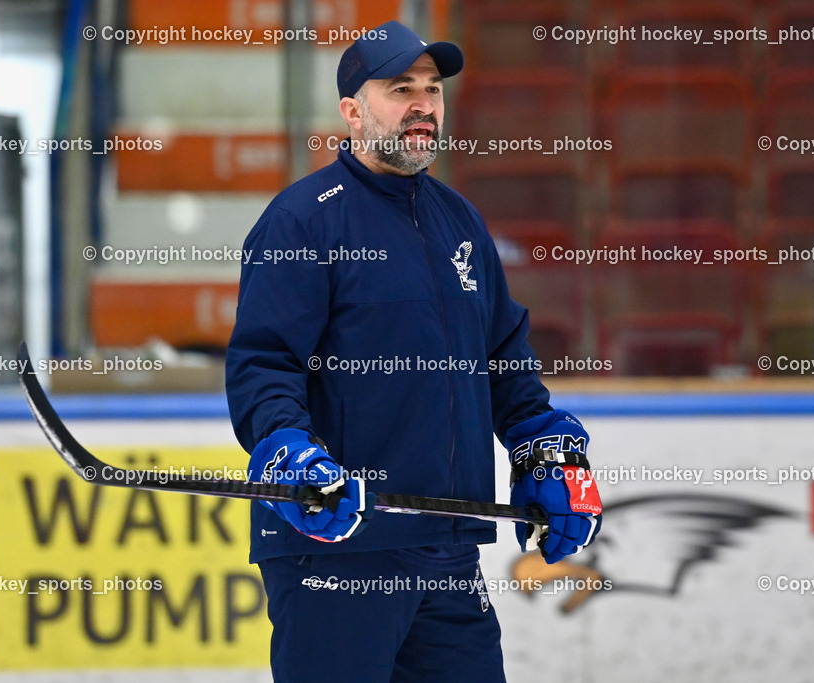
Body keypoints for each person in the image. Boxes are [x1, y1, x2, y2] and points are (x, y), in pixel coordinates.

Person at [225, 19, 602, 683]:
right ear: (353, 112)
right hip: (336, 552)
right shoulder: (302, 221)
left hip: (446, 549)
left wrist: (543, 448)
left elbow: (503, 361)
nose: (424, 104)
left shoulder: (461, 222)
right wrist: (288, 452)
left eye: (433, 89)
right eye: (401, 89)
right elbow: (265, 365)